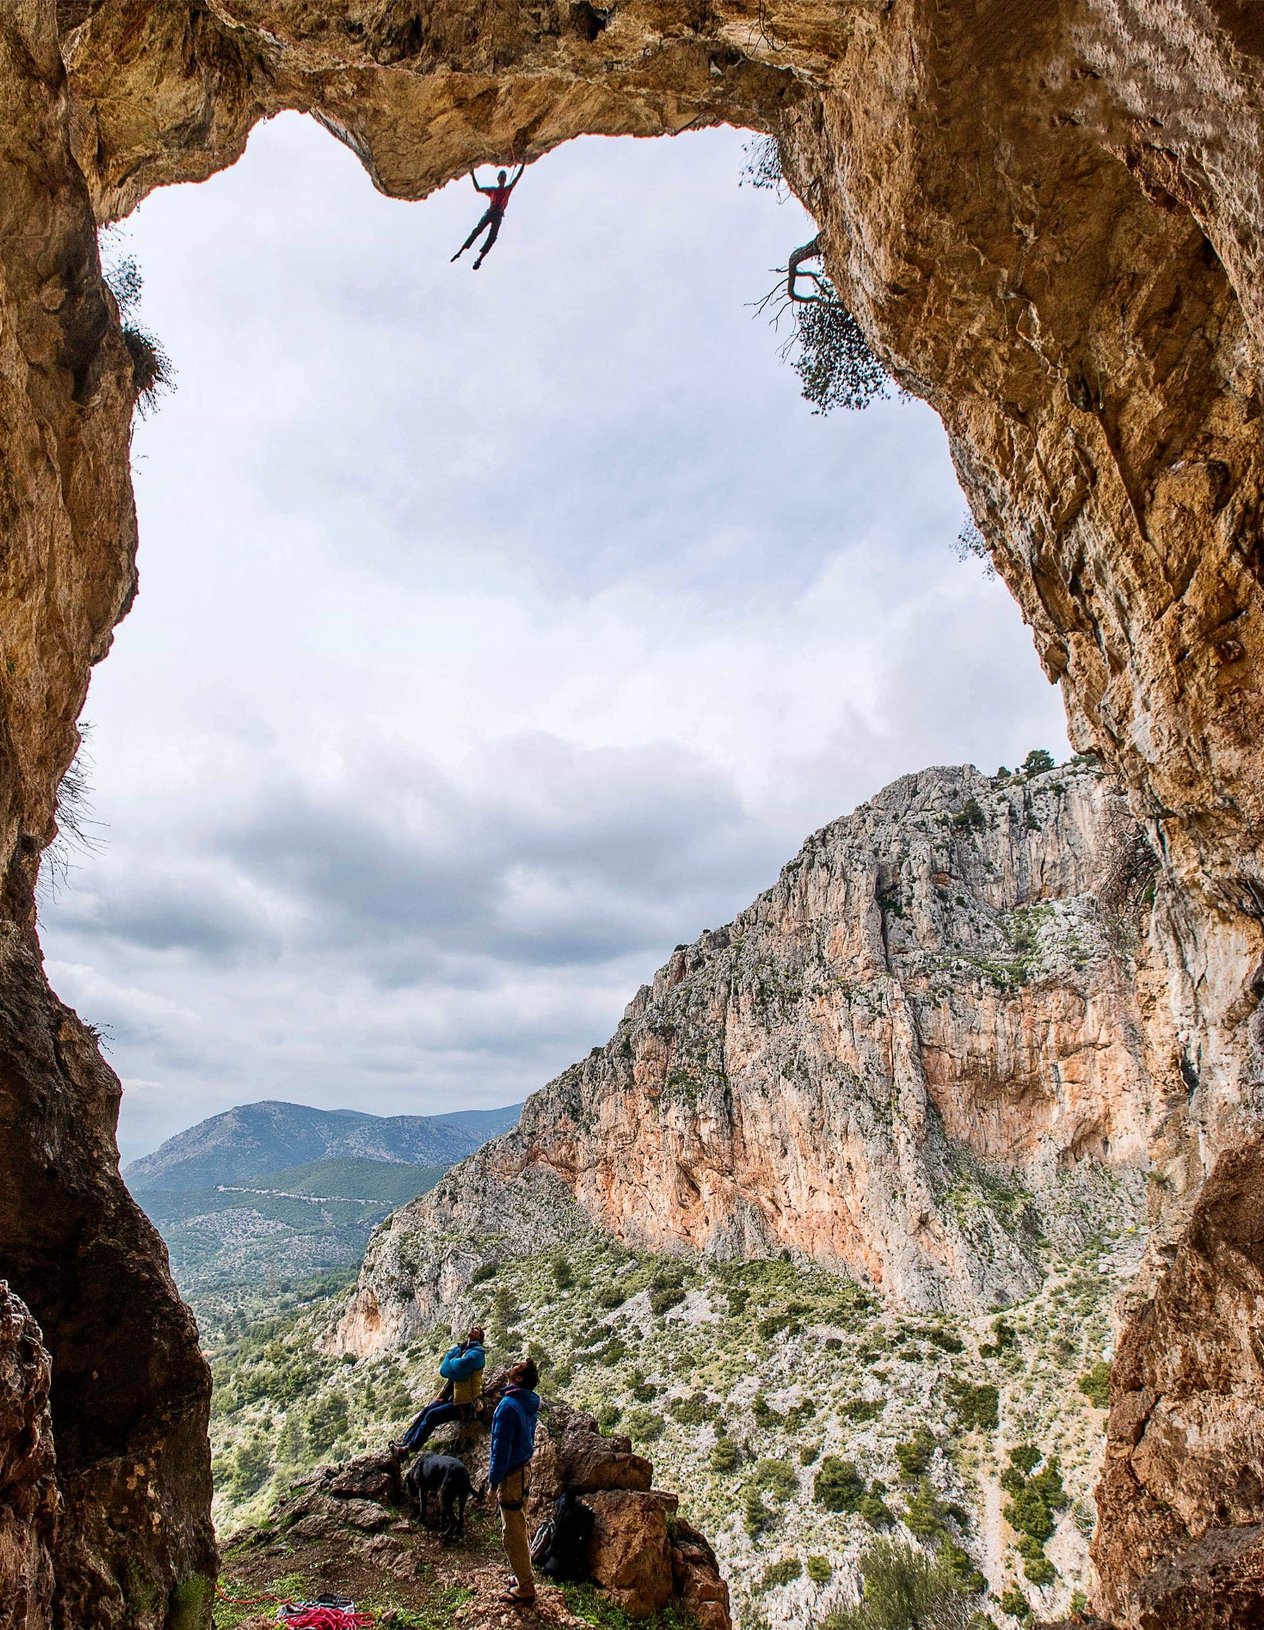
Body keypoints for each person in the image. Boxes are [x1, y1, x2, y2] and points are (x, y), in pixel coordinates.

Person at [489, 1357, 541, 1605]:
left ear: (518, 1379)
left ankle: (526, 1588)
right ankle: (523, 1576)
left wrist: (492, 1482)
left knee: (512, 1532)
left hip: (511, 1476)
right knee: (520, 1524)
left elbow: (501, 1449)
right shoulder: (529, 1402)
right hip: (524, 1470)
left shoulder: (508, 1406)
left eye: (517, 1366)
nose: (511, 1363)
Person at [396, 1327, 486, 1455]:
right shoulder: (462, 1349)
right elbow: (444, 1370)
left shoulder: (478, 1353)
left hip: (466, 1404)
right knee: (427, 1410)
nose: (473, 1329)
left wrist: (453, 1362)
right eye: (473, 1328)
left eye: (477, 1330)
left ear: (480, 1338)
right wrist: (455, 1367)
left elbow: (459, 1366)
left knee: (433, 1415)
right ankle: (404, 1443)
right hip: (452, 1398)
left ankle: (409, 1449)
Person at [451, 163, 526, 269]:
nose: (502, 179)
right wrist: (472, 175)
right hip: (491, 212)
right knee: (477, 231)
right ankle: (461, 251)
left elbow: (518, 176)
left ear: (505, 179)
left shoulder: (508, 188)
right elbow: (478, 188)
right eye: (501, 177)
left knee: (492, 237)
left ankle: (479, 260)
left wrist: (523, 164)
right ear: (498, 179)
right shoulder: (493, 190)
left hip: (498, 215)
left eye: (504, 177)